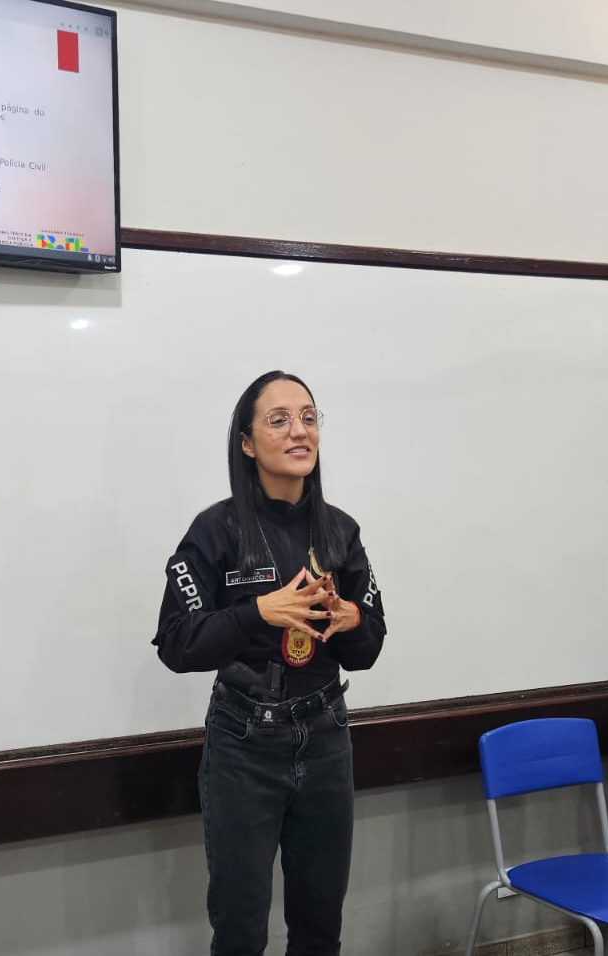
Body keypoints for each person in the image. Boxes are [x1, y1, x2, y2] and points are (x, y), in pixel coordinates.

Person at [153, 370, 386, 956]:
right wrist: (259, 612)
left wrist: (351, 619)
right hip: (244, 743)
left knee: (319, 927)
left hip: (326, 736)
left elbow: (369, 648)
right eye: (279, 420)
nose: (299, 431)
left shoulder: (341, 531)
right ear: (247, 443)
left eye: (308, 417)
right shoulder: (215, 530)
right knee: (240, 930)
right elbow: (176, 643)